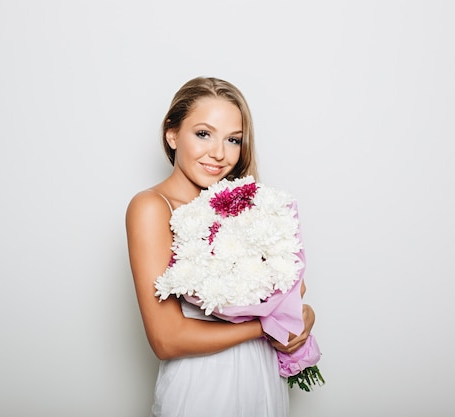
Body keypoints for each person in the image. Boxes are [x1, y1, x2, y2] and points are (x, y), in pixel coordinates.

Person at [125, 76, 316, 417]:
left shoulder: (248, 204)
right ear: (172, 134)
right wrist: (266, 325)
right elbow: (166, 339)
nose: (218, 152)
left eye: (233, 139)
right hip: (205, 384)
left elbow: (290, 289)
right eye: (203, 134)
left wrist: (303, 317)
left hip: (261, 376)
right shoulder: (152, 207)